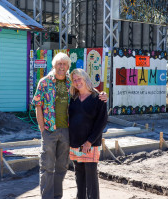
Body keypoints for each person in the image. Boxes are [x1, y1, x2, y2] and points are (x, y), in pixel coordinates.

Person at [32, 52, 107, 199]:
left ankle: (57, 196)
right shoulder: (45, 83)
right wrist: (42, 130)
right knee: (47, 167)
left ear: (68, 67)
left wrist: (102, 95)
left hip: (68, 133)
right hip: (50, 131)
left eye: (65, 64)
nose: (62, 67)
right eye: (59, 63)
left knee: (62, 167)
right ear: (54, 65)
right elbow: (38, 106)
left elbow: (98, 113)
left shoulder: (71, 84)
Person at [69, 68, 108, 199]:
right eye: (74, 80)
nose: (77, 82)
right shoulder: (73, 99)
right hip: (75, 143)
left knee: (91, 178)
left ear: (85, 79)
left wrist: (89, 141)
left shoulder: (98, 98)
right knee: (79, 176)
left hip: (90, 144)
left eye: (79, 78)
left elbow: (101, 123)